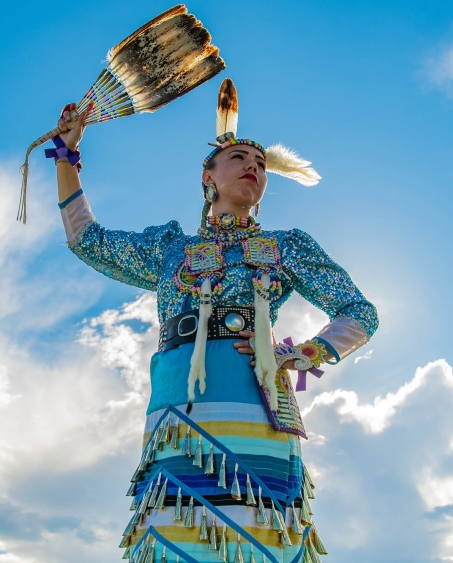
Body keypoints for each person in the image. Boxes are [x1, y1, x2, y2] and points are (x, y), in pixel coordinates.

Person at [52, 79, 378, 563]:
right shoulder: (171, 249)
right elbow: (88, 240)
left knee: (258, 527)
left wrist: (299, 354)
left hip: (254, 400)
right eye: (240, 158)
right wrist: (66, 155)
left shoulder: (287, 245)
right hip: (177, 405)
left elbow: (359, 313)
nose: (254, 167)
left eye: (262, 164)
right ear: (208, 177)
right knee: (176, 530)